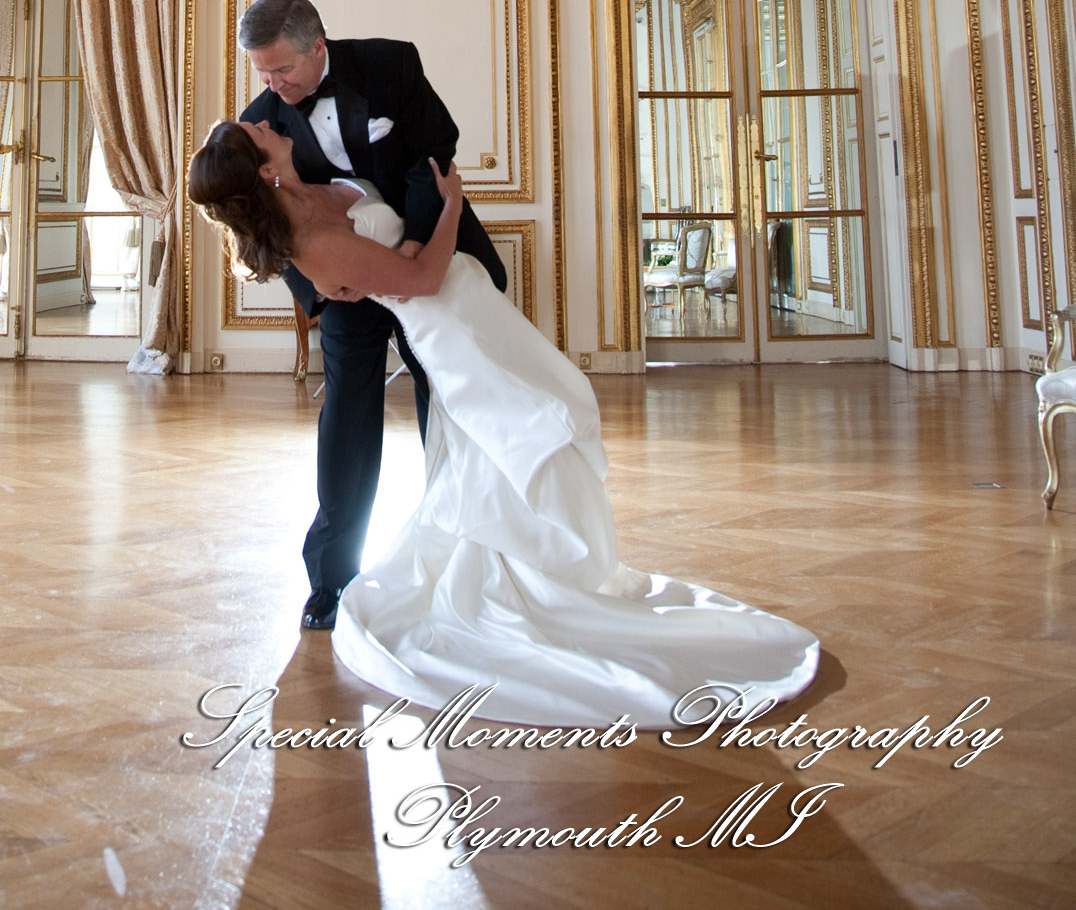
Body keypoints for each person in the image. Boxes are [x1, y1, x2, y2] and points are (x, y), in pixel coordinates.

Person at [188, 120, 820, 729]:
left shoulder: (313, 185)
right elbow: (425, 279)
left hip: (473, 308)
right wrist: (452, 209)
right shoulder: (313, 244)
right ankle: (531, 577)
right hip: (454, 329)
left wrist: (410, 235)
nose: (265, 123)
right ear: (266, 170)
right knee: (527, 431)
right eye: (257, 135)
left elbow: (397, 239)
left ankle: (546, 567)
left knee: (535, 416)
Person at [236, 0, 506, 631]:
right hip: (348, 288)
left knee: (445, 402)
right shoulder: (260, 122)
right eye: (263, 73)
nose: (274, 86)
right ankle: (331, 579)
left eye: (284, 70)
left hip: (428, 260)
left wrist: (414, 243)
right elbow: (268, 226)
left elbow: (434, 154)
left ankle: (460, 552)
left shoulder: (391, 66)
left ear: (318, 47)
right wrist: (321, 293)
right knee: (347, 418)